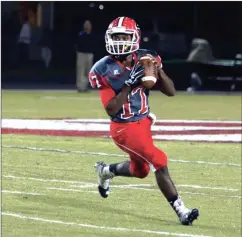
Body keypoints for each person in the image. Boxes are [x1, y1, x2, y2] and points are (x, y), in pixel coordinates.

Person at [88, 16, 199, 225]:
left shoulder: (146, 57)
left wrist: (158, 70)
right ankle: (181, 210)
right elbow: (111, 110)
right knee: (159, 160)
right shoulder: (102, 69)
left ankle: (105, 171)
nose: (120, 40)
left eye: (124, 36)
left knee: (141, 171)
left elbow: (171, 91)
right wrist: (129, 85)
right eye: (116, 36)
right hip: (123, 128)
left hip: (144, 122)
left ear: (135, 38)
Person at [76, 20, 95, 92]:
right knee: (81, 71)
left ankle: (85, 86)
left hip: (89, 54)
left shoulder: (92, 35)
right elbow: (78, 44)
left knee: (88, 71)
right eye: (86, 25)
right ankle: (80, 87)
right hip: (81, 54)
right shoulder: (81, 35)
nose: (87, 26)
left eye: (88, 25)